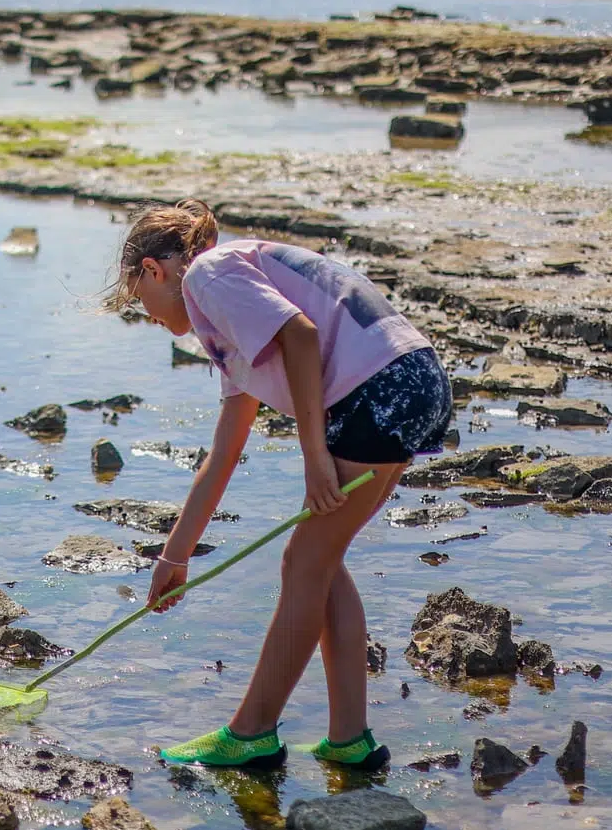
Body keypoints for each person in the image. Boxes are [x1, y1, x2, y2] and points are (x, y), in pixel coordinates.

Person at [111, 199, 452, 770]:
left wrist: (314, 455)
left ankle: (251, 733)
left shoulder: (208, 274)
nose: (145, 314)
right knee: (322, 560)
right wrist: (176, 556)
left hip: (379, 387)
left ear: (153, 270)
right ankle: (349, 741)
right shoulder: (231, 319)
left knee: (303, 560)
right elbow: (223, 454)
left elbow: (300, 335)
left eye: (137, 298)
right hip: (415, 380)